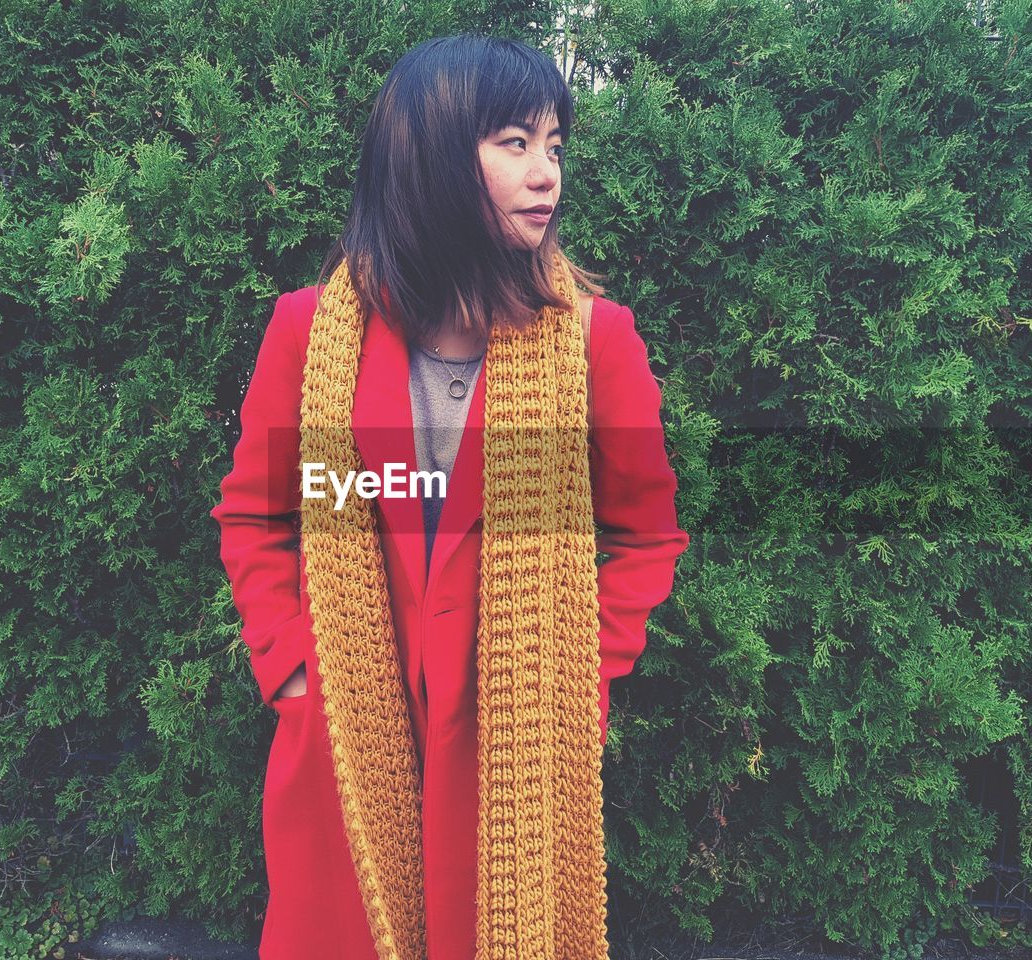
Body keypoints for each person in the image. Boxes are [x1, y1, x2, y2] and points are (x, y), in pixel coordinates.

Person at [210, 32, 689, 960]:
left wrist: (574, 672)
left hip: (513, 756)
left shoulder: (595, 347)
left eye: (554, 144)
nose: (546, 172)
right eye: (514, 142)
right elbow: (256, 514)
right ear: (428, 155)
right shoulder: (310, 338)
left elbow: (647, 535)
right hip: (346, 750)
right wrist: (296, 671)